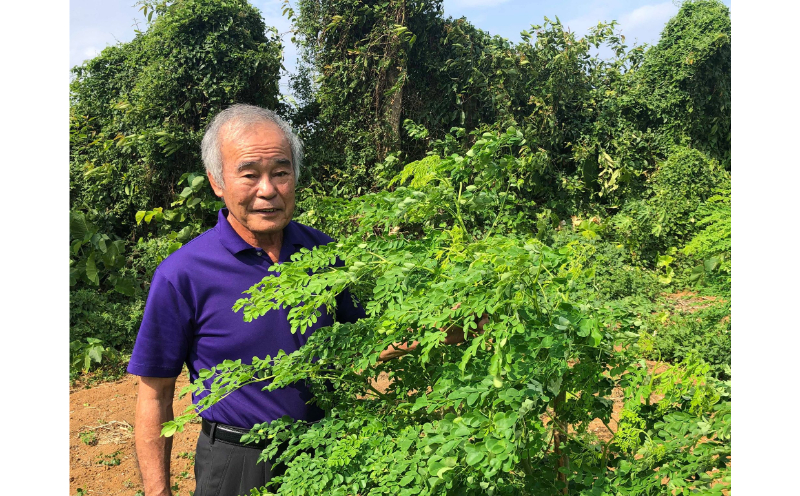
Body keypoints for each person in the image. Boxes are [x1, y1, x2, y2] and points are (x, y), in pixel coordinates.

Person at [127, 104, 367, 496]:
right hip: (238, 465)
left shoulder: (325, 253)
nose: (268, 190)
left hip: (330, 452)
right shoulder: (183, 273)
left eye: (281, 172)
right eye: (249, 174)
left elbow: (366, 342)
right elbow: (156, 394)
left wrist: (443, 329)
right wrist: (158, 492)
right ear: (217, 182)